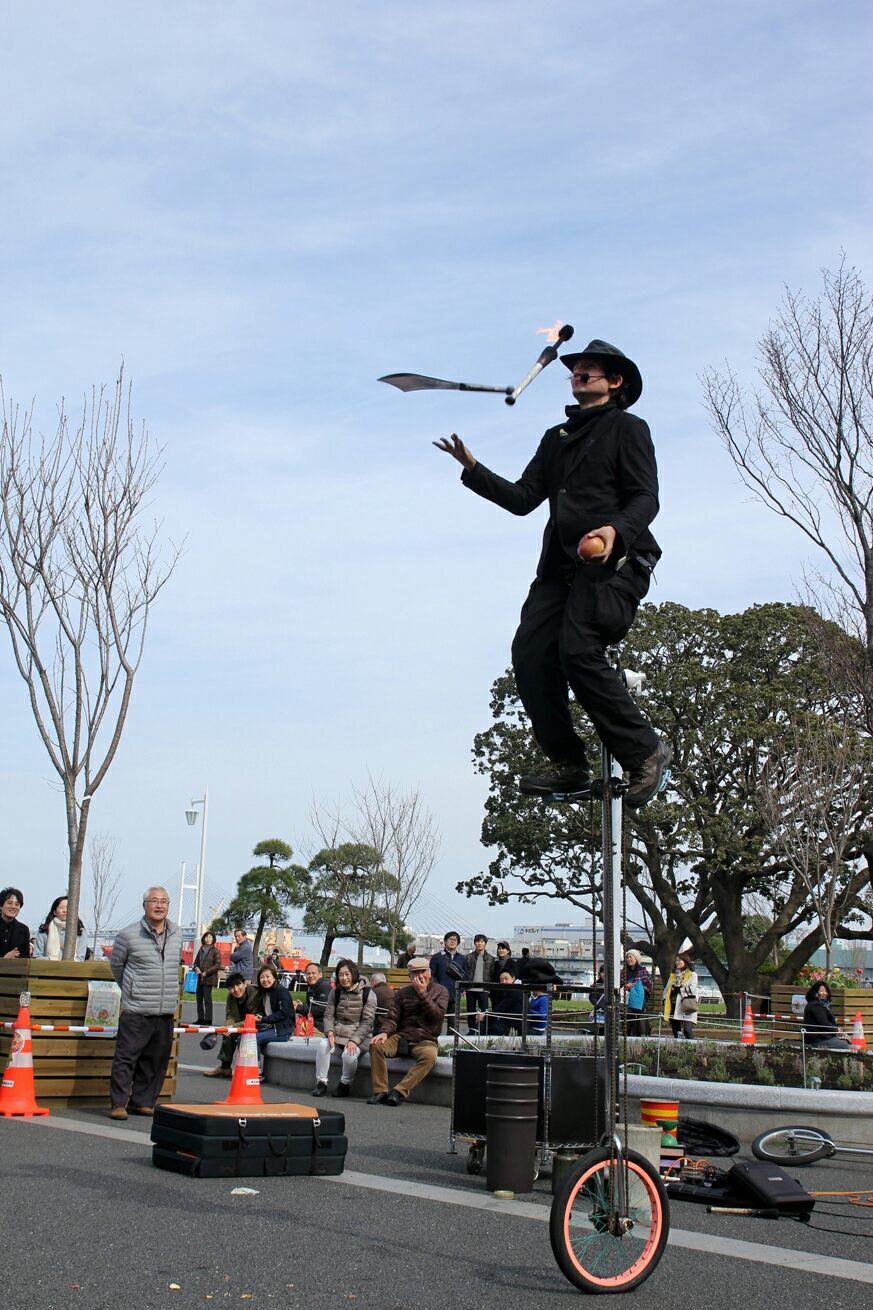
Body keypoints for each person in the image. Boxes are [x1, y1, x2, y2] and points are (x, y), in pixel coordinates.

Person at [436, 339, 670, 809]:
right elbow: (524, 499)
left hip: (615, 565)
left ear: (615, 381)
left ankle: (645, 750)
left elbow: (646, 498)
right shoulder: (555, 439)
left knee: (577, 647)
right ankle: (568, 764)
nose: (578, 373)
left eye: (589, 369)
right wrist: (473, 469)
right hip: (559, 573)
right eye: (575, 369)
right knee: (531, 653)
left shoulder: (629, 429)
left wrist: (613, 532)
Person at [108, 886, 183, 1119]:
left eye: (164, 901)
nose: (159, 905)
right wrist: (132, 990)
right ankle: (118, 1103)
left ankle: (142, 1101)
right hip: (137, 1009)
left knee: (157, 1060)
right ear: (144, 906)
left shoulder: (177, 933)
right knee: (126, 1057)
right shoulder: (128, 935)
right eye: (154, 900)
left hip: (165, 1009)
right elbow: (117, 967)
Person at [367, 958, 449, 1106]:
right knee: (376, 1045)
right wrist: (384, 1032)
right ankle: (380, 1091)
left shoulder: (441, 991)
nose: (420, 976)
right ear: (409, 976)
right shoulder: (402, 993)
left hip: (426, 1038)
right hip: (402, 1037)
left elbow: (436, 1016)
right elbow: (393, 1017)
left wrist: (423, 993)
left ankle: (399, 1091)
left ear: (429, 973)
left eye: (423, 972)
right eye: (415, 973)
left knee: (430, 1056)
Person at [313, 959, 376, 1098]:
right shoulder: (335, 993)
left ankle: (345, 1084)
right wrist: (329, 1031)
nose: (344, 978)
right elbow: (328, 1015)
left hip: (360, 1036)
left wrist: (354, 1040)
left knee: (349, 1054)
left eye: (347, 974)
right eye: (340, 975)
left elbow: (367, 1022)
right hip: (338, 1034)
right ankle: (321, 1082)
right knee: (323, 1045)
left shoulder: (367, 994)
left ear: (353, 974)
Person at [204, 971, 258, 1077]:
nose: (236, 990)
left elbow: (255, 1018)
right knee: (227, 1033)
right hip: (241, 1025)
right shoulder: (231, 997)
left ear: (245, 983)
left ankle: (247, 1070)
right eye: (232, 987)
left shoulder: (254, 994)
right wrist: (226, 1026)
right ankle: (225, 1067)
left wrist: (233, 1027)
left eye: (238, 985)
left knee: (236, 1034)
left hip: (257, 1025)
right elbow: (230, 1016)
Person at [253, 962, 295, 1076]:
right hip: (269, 1028)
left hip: (282, 1030)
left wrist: (264, 1019)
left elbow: (283, 1013)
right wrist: (259, 1016)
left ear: (274, 977)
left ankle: (256, 1071)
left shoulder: (281, 991)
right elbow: (262, 1011)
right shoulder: (263, 993)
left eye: (268, 976)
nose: (265, 980)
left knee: (252, 1040)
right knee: (242, 1038)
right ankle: (245, 1066)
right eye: (262, 977)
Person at [33, 896, 87, 960]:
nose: (65, 910)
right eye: (61, 908)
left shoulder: (80, 931)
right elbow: (37, 956)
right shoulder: (44, 931)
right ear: (55, 912)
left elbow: (80, 958)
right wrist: (54, 960)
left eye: (68, 907)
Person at [802, 982, 851, 1050]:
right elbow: (823, 1023)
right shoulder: (816, 1006)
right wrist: (836, 1030)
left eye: (826, 991)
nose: (824, 993)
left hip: (819, 1037)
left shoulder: (819, 1004)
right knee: (844, 1045)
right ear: (815, 992)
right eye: (821, 990)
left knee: (843, 1041)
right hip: (816, 1039)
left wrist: (836, 1030)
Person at [428, 931, 467, 1013]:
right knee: (437, 1020)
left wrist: (462, 989)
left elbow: (465, 976)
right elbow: (431, 975)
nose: (452, 941)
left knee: (453, 1023)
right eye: (450, 939)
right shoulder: (437, 957)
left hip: (455, 994)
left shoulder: (462, 958)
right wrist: (437, 987)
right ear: (445, 941)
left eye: (455, 940)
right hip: (439, 995)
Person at [465, 934, 497, 1033]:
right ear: (475, 943)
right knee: (471, 1012)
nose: (480, 944)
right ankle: (472, 1030)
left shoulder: (490, 958)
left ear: (485, 944)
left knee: (484, 1012)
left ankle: (482, 1030)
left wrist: (490, 989)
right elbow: (465, 973)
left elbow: (492, 974)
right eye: (478, 941)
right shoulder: (468, 957)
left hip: (484, 989)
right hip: (471, 989)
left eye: (482, 942)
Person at [663, 952, 699, 1039]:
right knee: (676, 1031)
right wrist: (665, 998)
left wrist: (679, 989)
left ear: (685, 961)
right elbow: (667, 989)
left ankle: (692, 1048)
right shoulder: (673, 975)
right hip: (673, 1005)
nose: (677, 962)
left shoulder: (692, 975)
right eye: (676, 961)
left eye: (679, 960)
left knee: (687, 1030)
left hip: (686, 1005)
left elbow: (692, 989)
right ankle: (677, 1048)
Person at [480, 969, 523, 1035]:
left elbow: (500, 1009)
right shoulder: (511, 991)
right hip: (508, 1022)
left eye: (506, 979)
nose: (504, 982)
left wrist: (484, 1017)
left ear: (513, 978)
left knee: (483, 1028)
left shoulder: (514, 992)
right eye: (501, 980)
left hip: (513, 1026)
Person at [192, 931, 222, 1026]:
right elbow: (195, 962)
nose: (208, 939)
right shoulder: (201, 950)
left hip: (209, 978)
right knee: (199, 999)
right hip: (199, 978)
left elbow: (217, 965)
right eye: (206, 937)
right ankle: (200, 1018)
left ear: (213, 939)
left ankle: (208, 1019)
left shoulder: (215, 951)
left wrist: (206, 972)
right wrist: (197, 968)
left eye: (210, 937)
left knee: (207, 999)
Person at [295, 962, 333, 1032]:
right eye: (308, 974)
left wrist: (300, 1008)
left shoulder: (324, 987)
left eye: (313, 973)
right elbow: (314, 1007)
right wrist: (302, 1005)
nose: (311, 976)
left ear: (320, 975)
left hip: (321, 1027)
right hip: (313, 1024)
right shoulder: (314, 987)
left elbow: (322, 1009)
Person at [622, 949, 653, 1036]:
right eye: (627, 957)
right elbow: (619, 984)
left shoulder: (643, 972)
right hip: (626, 1002)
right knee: (627, 1025)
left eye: (630, 957)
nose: (628, 959)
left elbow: (649, 987)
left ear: (636, 958)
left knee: (640, 1024)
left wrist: (638, 988)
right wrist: (626, 986)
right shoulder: (623, 972)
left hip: (639, 1004)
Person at [0, 887, 31, 960]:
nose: (13, 907)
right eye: (9, 903)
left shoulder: (24, 930)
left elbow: (26, 957)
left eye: (17, 904)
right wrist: (4, 958)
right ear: (1, 906)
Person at [369, 971, 396, 1035]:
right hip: (393, 1023)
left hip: (379, 1025)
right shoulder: (393, 992)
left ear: (374, 982)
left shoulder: (373, 992)